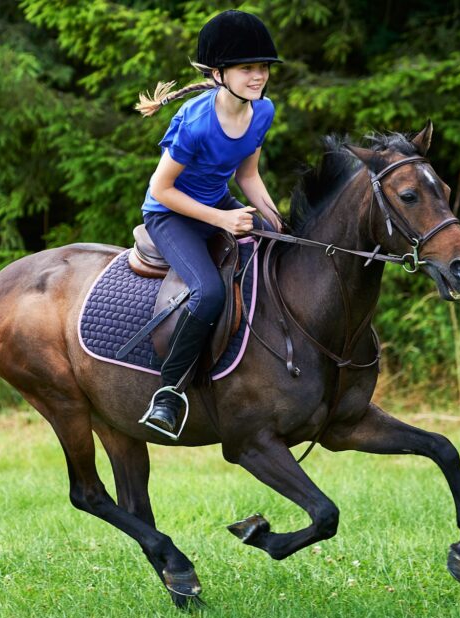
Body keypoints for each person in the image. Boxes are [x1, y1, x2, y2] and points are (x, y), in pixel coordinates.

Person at [135, 9, 283, 439]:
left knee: (278, 258)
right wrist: (221, 218)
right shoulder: (197, 122)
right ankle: (169, 394)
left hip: (219, 202)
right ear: (219, 74)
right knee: (208, 291)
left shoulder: (263, 111)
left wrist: (276, 223)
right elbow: (161, 189)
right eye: (247, 69)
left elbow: (248, 176)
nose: (258, 77)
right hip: (170, 215)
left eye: (263, 68)